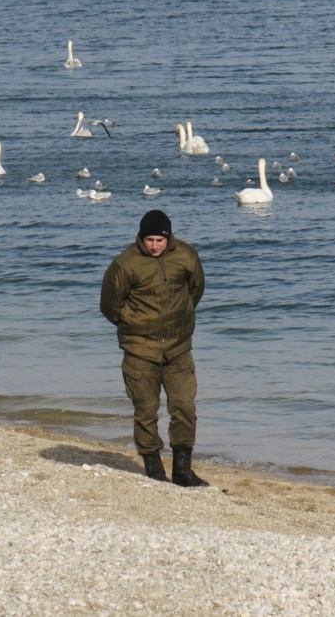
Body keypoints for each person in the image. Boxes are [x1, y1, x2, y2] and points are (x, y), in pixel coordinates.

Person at [100, 209, 208, 487]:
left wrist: (178, 320)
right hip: (140, 352)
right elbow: (110, 305)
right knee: (145, 410)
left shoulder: (187, 255)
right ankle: (154, 470)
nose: (155, 246)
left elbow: (195, 291)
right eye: (149, 240)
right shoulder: (126, 263)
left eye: (159, 240)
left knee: (184, 407)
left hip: (178, 350)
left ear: (168, 237)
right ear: (141, 238)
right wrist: (136, 325)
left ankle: (183, 470)